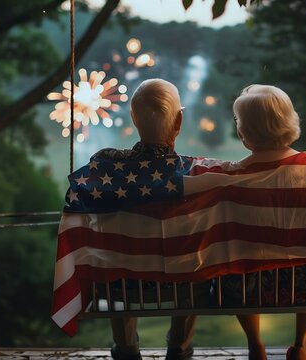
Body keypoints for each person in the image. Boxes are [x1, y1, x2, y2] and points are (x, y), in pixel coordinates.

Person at [93, 78, 195, 360]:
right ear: (179, 122)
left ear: (134, 119)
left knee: (116, 258)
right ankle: (179, 346)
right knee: (193, 265)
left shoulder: (105, 165)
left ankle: (126, 348)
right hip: (180, 283)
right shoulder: (196, 172)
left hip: (123, 284)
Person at [230, 84, 306, 360]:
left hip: (250, 290)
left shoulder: (236, 176)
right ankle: (301, 344)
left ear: (245, 133)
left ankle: (254, 345)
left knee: (237, 264)